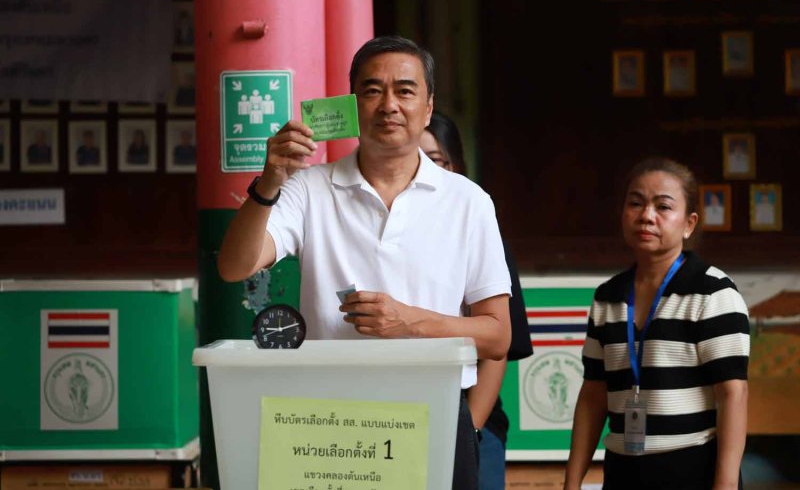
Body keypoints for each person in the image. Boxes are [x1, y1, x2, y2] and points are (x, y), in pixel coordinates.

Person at [217, 36, 512, 490]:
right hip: (329, 418)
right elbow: (235, 266)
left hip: (432, 407)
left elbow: (497, 335)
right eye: (372, 91)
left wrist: (408, 322)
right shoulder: (310, 188)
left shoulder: (469, 202)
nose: (389, 104)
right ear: (352, 105)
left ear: (428, 108)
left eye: (405, 91)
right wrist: (271, 178)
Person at [564, 158, 749, 489]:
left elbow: (732, 394)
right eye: (635, 203)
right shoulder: (608, 297)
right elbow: (594, 394)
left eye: (663, 207)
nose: (646, 215)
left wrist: (725, 485)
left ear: (689, 223)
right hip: (623, 470)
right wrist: (571, 481)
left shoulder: (713, 292)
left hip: (692, 468)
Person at [421, 111, 533, 490]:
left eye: (435, 160)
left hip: (469, 419)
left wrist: (469, 428)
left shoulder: (479, 228)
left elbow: (497, 349)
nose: (422, 170)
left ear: (457, 165)